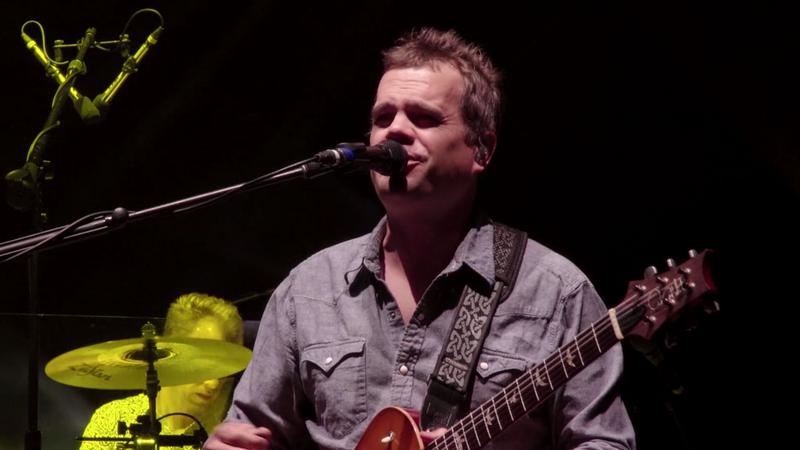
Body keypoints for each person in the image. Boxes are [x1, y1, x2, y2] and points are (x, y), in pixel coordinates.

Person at [205, 28, 635, 450]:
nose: (395, 131)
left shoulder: (556, 292)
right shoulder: (309, 289)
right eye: (382, 118)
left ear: (482, 149)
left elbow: (606, 444)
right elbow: (252, 431)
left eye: (424, 118)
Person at [79, 292, 245, 449]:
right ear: (168, 352)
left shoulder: (224, 436)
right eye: (203, 363)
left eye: (220, 368)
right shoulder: (114, 418)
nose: (213, 384)